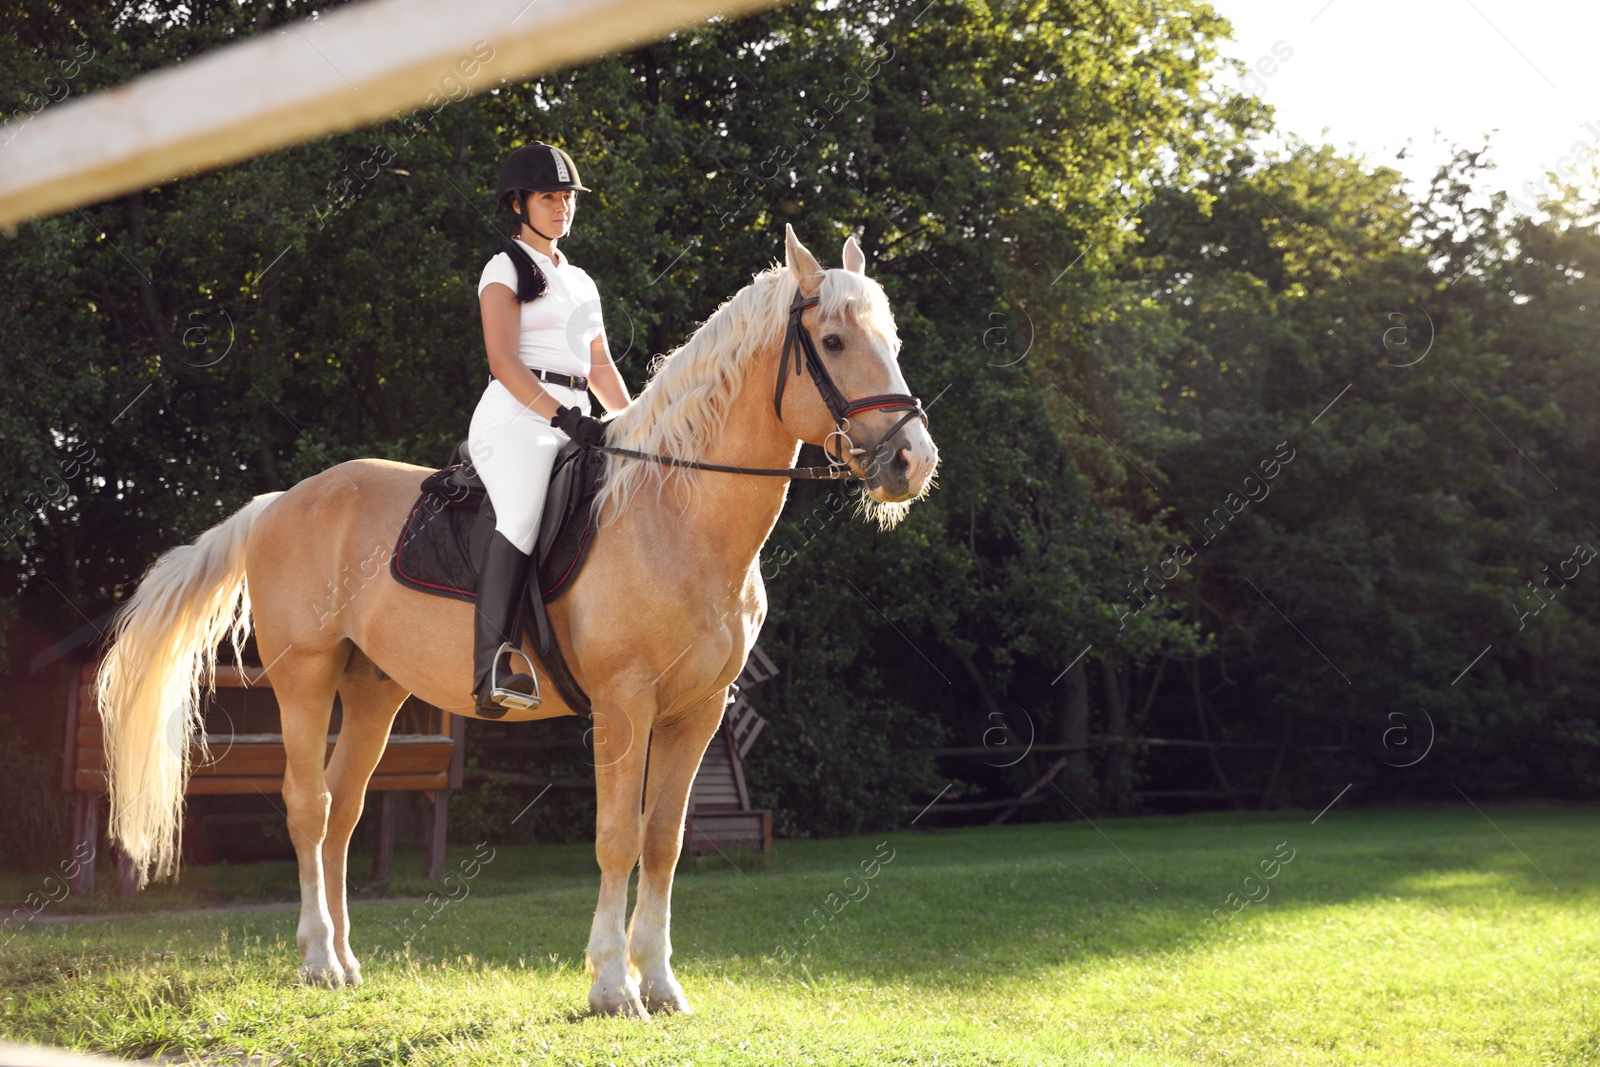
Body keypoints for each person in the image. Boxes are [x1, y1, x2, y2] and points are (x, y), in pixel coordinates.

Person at [469, 142, 631, 713]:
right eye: (549, 198)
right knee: (523, 512)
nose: (562, 208)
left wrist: (634, 420)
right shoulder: (505, 267)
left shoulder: (582, 281)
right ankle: (491, 664)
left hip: (579, 413)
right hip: (517, 415)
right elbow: (503, 360)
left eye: (568, 198)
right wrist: (561, 416)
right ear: (518, 204)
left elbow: (602, 365)